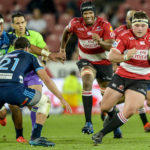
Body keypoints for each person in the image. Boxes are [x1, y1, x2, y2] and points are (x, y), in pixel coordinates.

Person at [60, 1, 122, 138]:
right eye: (85, 13)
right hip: (86, 60)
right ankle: (88, 122)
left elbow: (110, 45)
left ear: (94, 14)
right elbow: (66, 31)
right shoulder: (76, 23)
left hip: (104, 62)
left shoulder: (104, 24)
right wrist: (62, 49)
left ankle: (114, 121)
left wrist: (99, 41)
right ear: (82, 14)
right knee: (87, 80)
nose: (88, 15)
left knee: (107, 101)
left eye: (90, 13)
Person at [0, 12, 65, 143]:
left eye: (22, 22)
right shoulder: (9, 37)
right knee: (15, 106)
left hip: (31, 73)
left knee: (37, 99)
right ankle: (20, 134)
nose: (20, 26)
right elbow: (31, 49)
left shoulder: (35, 35)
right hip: (14, 75)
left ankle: (34, 134)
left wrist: (44, 63)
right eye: (17, 23)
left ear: (26, 23)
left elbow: (42, 49)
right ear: (12, 25)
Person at [92, 11, 150, 144]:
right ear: (131, 25)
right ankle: (114, 115)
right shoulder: (124, 36)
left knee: (130, 110)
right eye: (137, 25)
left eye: (142, 25)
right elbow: (111, 56)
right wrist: (125, 56)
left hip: (141, 80)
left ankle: (101, 134)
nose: (140, 28)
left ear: (147, 26)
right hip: (122, 76)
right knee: (104, 107)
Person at [114, 10, 150, 132]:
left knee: (145, 100)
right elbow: (112, 48)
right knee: (137, 99)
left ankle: (145, 124)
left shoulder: (145, 32)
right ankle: (145, 123)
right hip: (126, 70)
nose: (131, 21)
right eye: (130, 19)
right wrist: (114, 63)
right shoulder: (120, 31)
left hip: (145, 71)